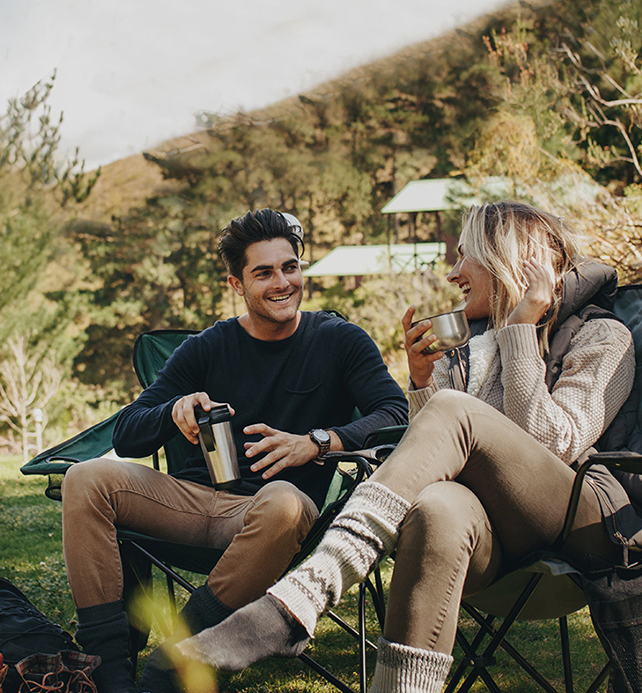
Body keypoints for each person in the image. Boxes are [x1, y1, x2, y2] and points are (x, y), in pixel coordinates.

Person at [151, 201, 642, 693]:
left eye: (466, 256)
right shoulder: (473, 346)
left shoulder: (602, 336)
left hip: (588, 524)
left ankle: (305, 594)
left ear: (509, 263)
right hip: (498, 534)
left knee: (451, 413)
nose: (452, 272)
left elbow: (553, 443)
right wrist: (422, 383)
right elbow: (441, 461)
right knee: (438, 506)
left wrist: (521, 331)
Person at [61, 208, 409, 693]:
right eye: (263, 272)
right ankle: (105, 672)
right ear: (236, 284)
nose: (281, 282)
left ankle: (177, 658)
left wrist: (317, 442)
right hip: (194, 503)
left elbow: (394, 413)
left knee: (284, 502)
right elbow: (127, 434)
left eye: (290, 267)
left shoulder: (338, 340)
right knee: (85, 479)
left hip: (276, 516)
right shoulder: (207, 348)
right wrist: (173, 410)